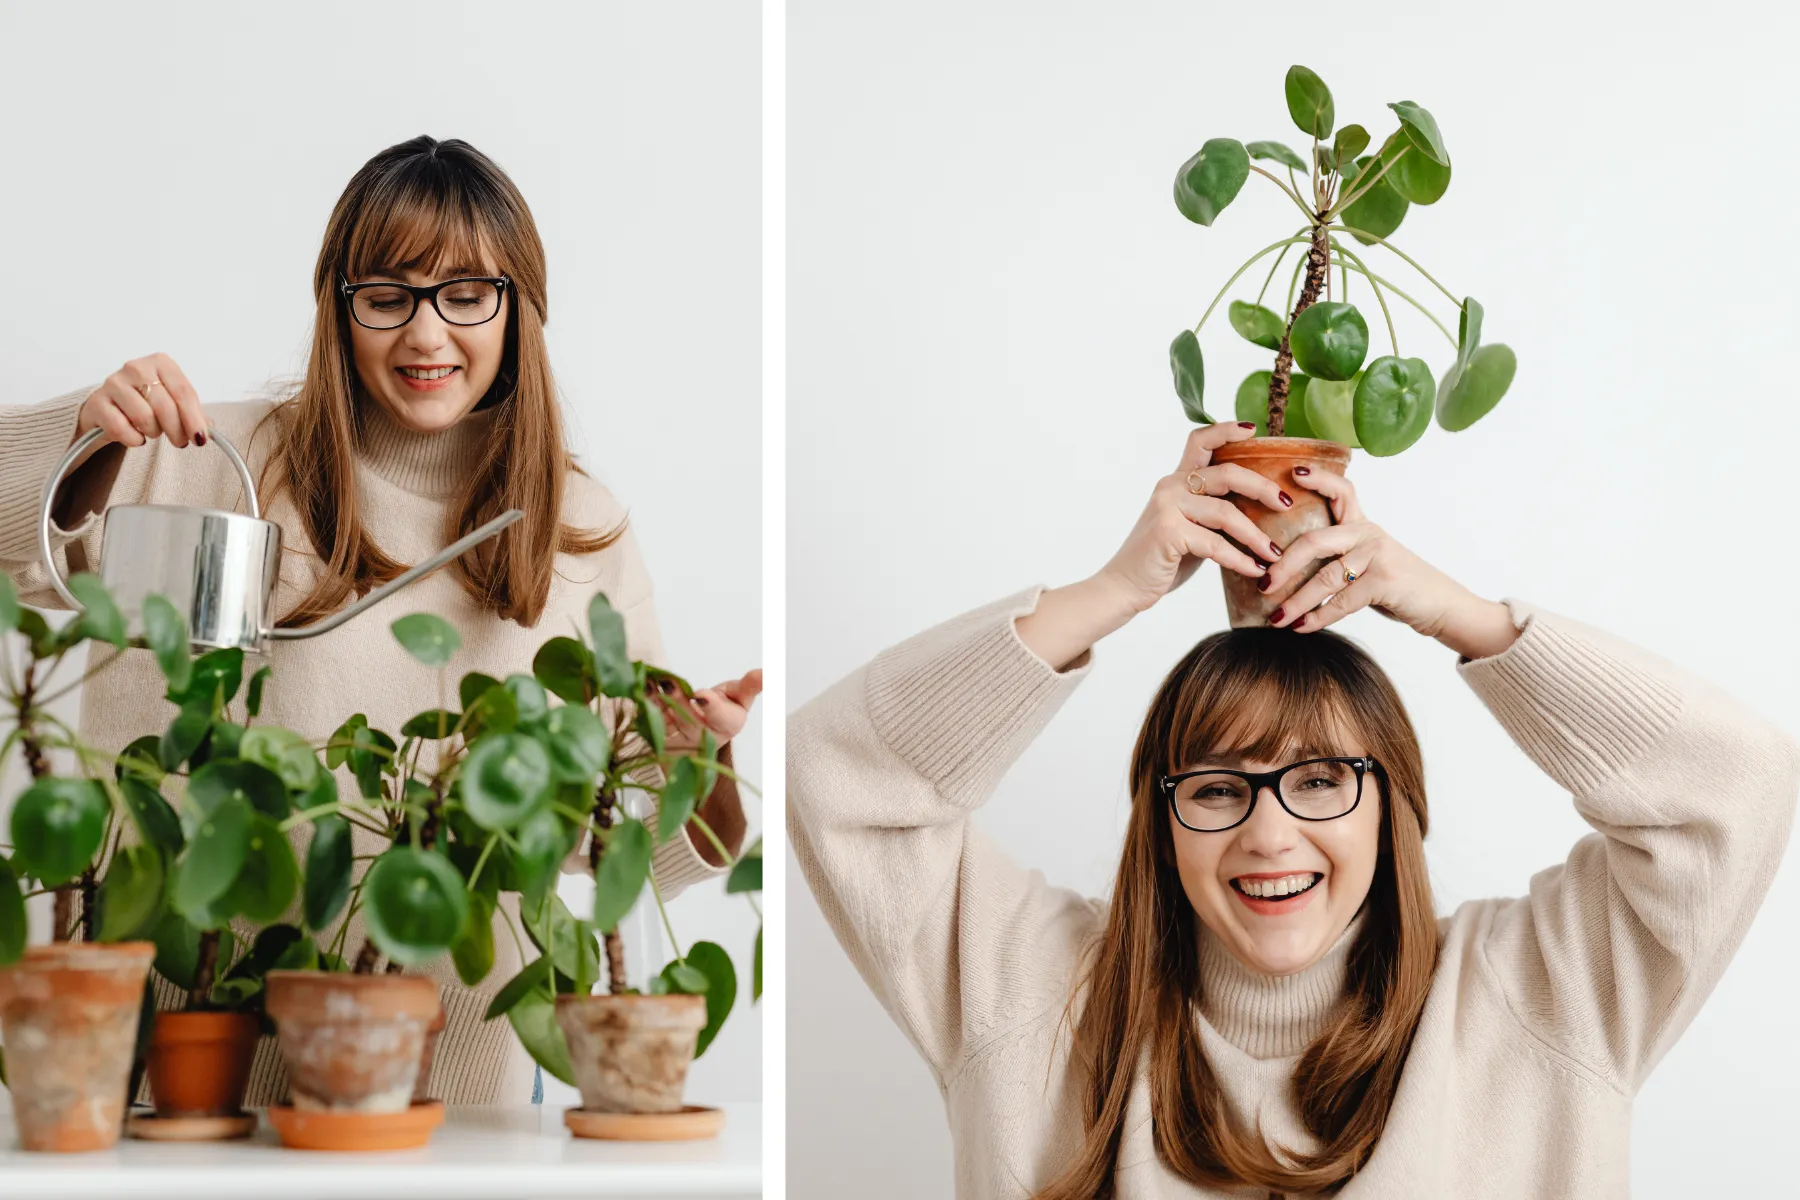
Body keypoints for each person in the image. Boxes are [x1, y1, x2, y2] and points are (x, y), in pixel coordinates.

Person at [788, 420, 1799, 1197]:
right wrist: (1115, 589)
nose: (1270, 835)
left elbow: (1736, 782)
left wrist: (1446, 607)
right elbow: (835, 773)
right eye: (1219, 788)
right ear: (1160, 817)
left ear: (1391, 802)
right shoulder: (1029, 997)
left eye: (1321, 781)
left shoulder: (1543, 996)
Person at [0, 135, 760, 1105]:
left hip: (452, 1078)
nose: (426, 335)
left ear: (519, 308)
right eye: (388, 294)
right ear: (340, 305)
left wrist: (701, 763)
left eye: (466, 294)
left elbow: (602, 847)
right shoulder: (206, 456)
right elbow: (24, 552)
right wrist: (87, 437)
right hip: (188, 1056)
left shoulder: (578, 527)